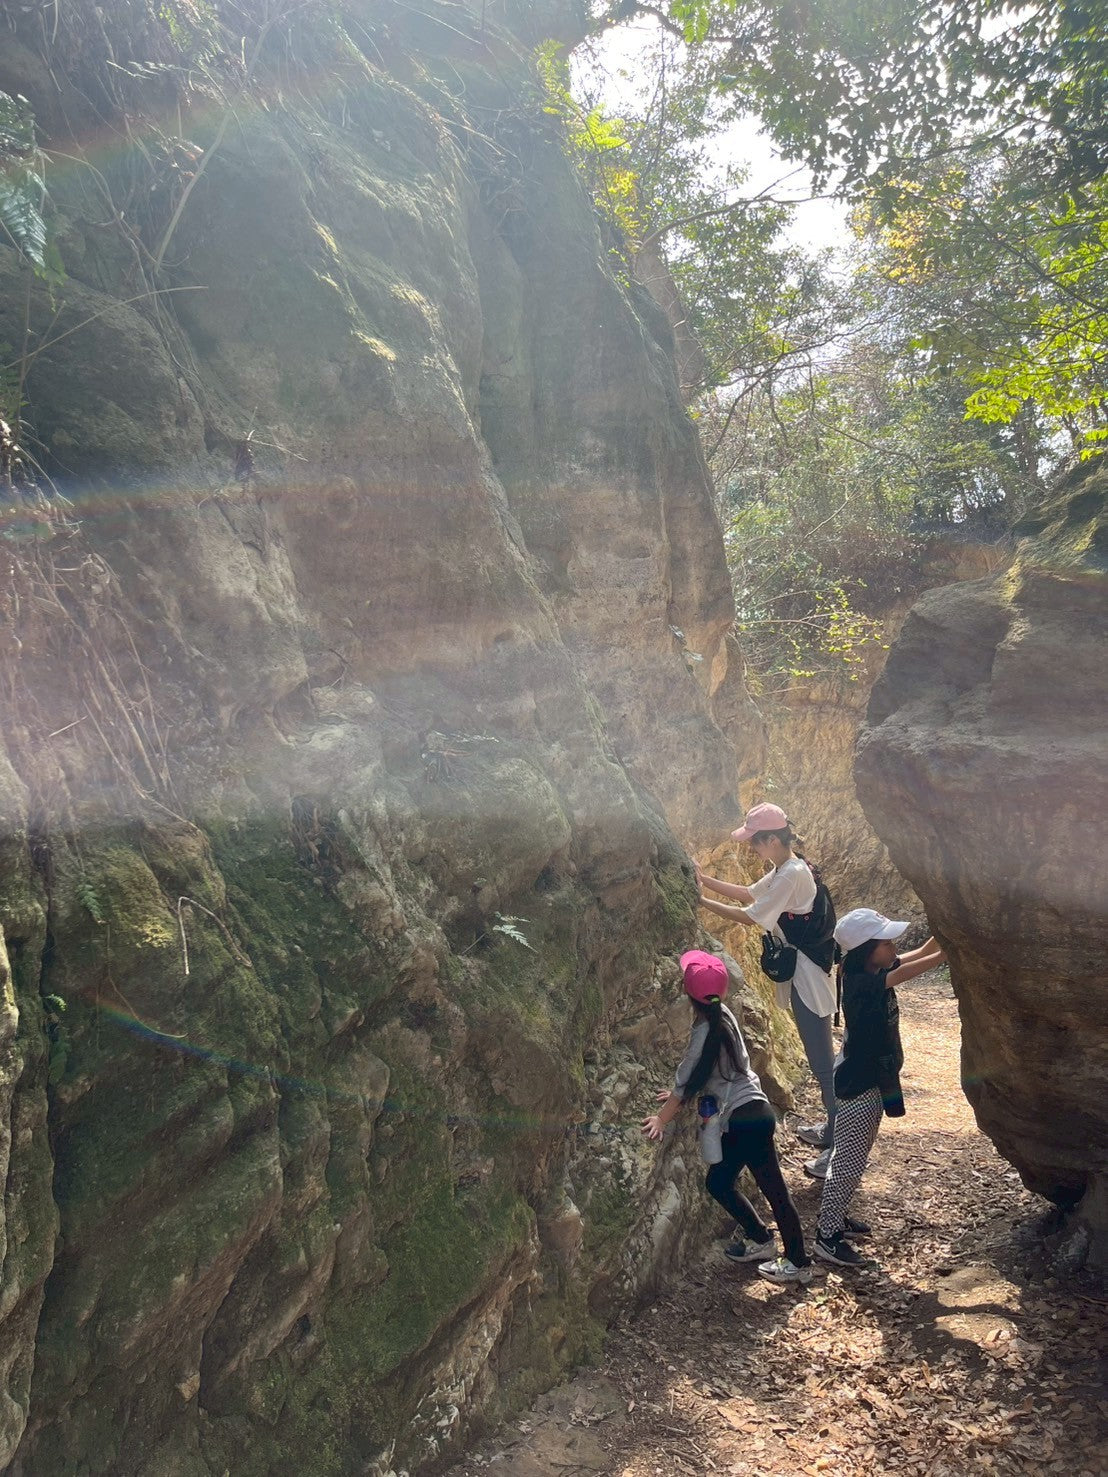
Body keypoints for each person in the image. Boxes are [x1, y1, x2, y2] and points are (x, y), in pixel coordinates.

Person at [642, 949, 813, 1285]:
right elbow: (700, 1075)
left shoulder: (704, 1031)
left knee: (771, 1191)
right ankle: (761, 1240)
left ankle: (798, 1261)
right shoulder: (724, 1016)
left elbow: (687, 1079)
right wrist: (677, 1095)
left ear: (688, 993)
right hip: (755, 1111)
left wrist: (662, 1119)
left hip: (745, 1120)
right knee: (722, 1183)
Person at [696, 803, 838, 1178]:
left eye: (755, 842)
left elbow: (751, 916)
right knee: (822, 1062)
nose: (752, 848)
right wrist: (704, 881)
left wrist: (701, 901)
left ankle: (839, 1147)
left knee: (824, 1066)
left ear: (772, 839)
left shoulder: (791, 874)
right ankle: (832, 1131)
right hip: (807, 975)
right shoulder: (788, 868)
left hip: (809, 981)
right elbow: (748, 894)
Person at [814, 908, 946, 1267]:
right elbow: (911, 970)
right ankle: (827, 1237)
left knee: (856, 1155)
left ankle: (837, 1218)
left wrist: (943, 931)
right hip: (859, 1085)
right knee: (848, 1161)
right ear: (866, 950)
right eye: (886, 943)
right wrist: (949, 951)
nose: (894, 948)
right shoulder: (860, 981)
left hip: (876, 1077)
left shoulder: (872, 967)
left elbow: (915, 956)